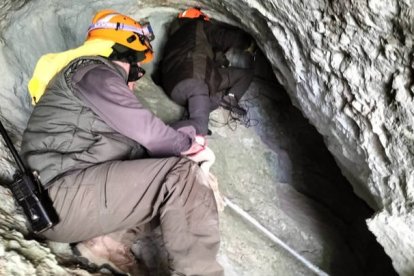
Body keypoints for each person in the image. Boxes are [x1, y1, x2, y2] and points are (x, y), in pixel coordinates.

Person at [20, 10, 223, 276]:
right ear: (125, 50)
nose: (137, 80)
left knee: (169, 174)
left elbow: (142, 147)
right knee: (181, 175)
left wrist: (184, 139)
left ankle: (106, 243)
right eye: (137, 68)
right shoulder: (94, 71)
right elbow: (150, 134)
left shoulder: (89, 86)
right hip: (60, 198)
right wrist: (191, 150)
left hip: (65, 197)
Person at [159, 7, 255, 135]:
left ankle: (229, 99)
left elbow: (213, 57)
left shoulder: (174, 40)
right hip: (193, 81)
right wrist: (249, 44)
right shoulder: (198, 25)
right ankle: (155, 136)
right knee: (200, 128)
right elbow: (224, 37)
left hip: (174, 87)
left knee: (236, 80)